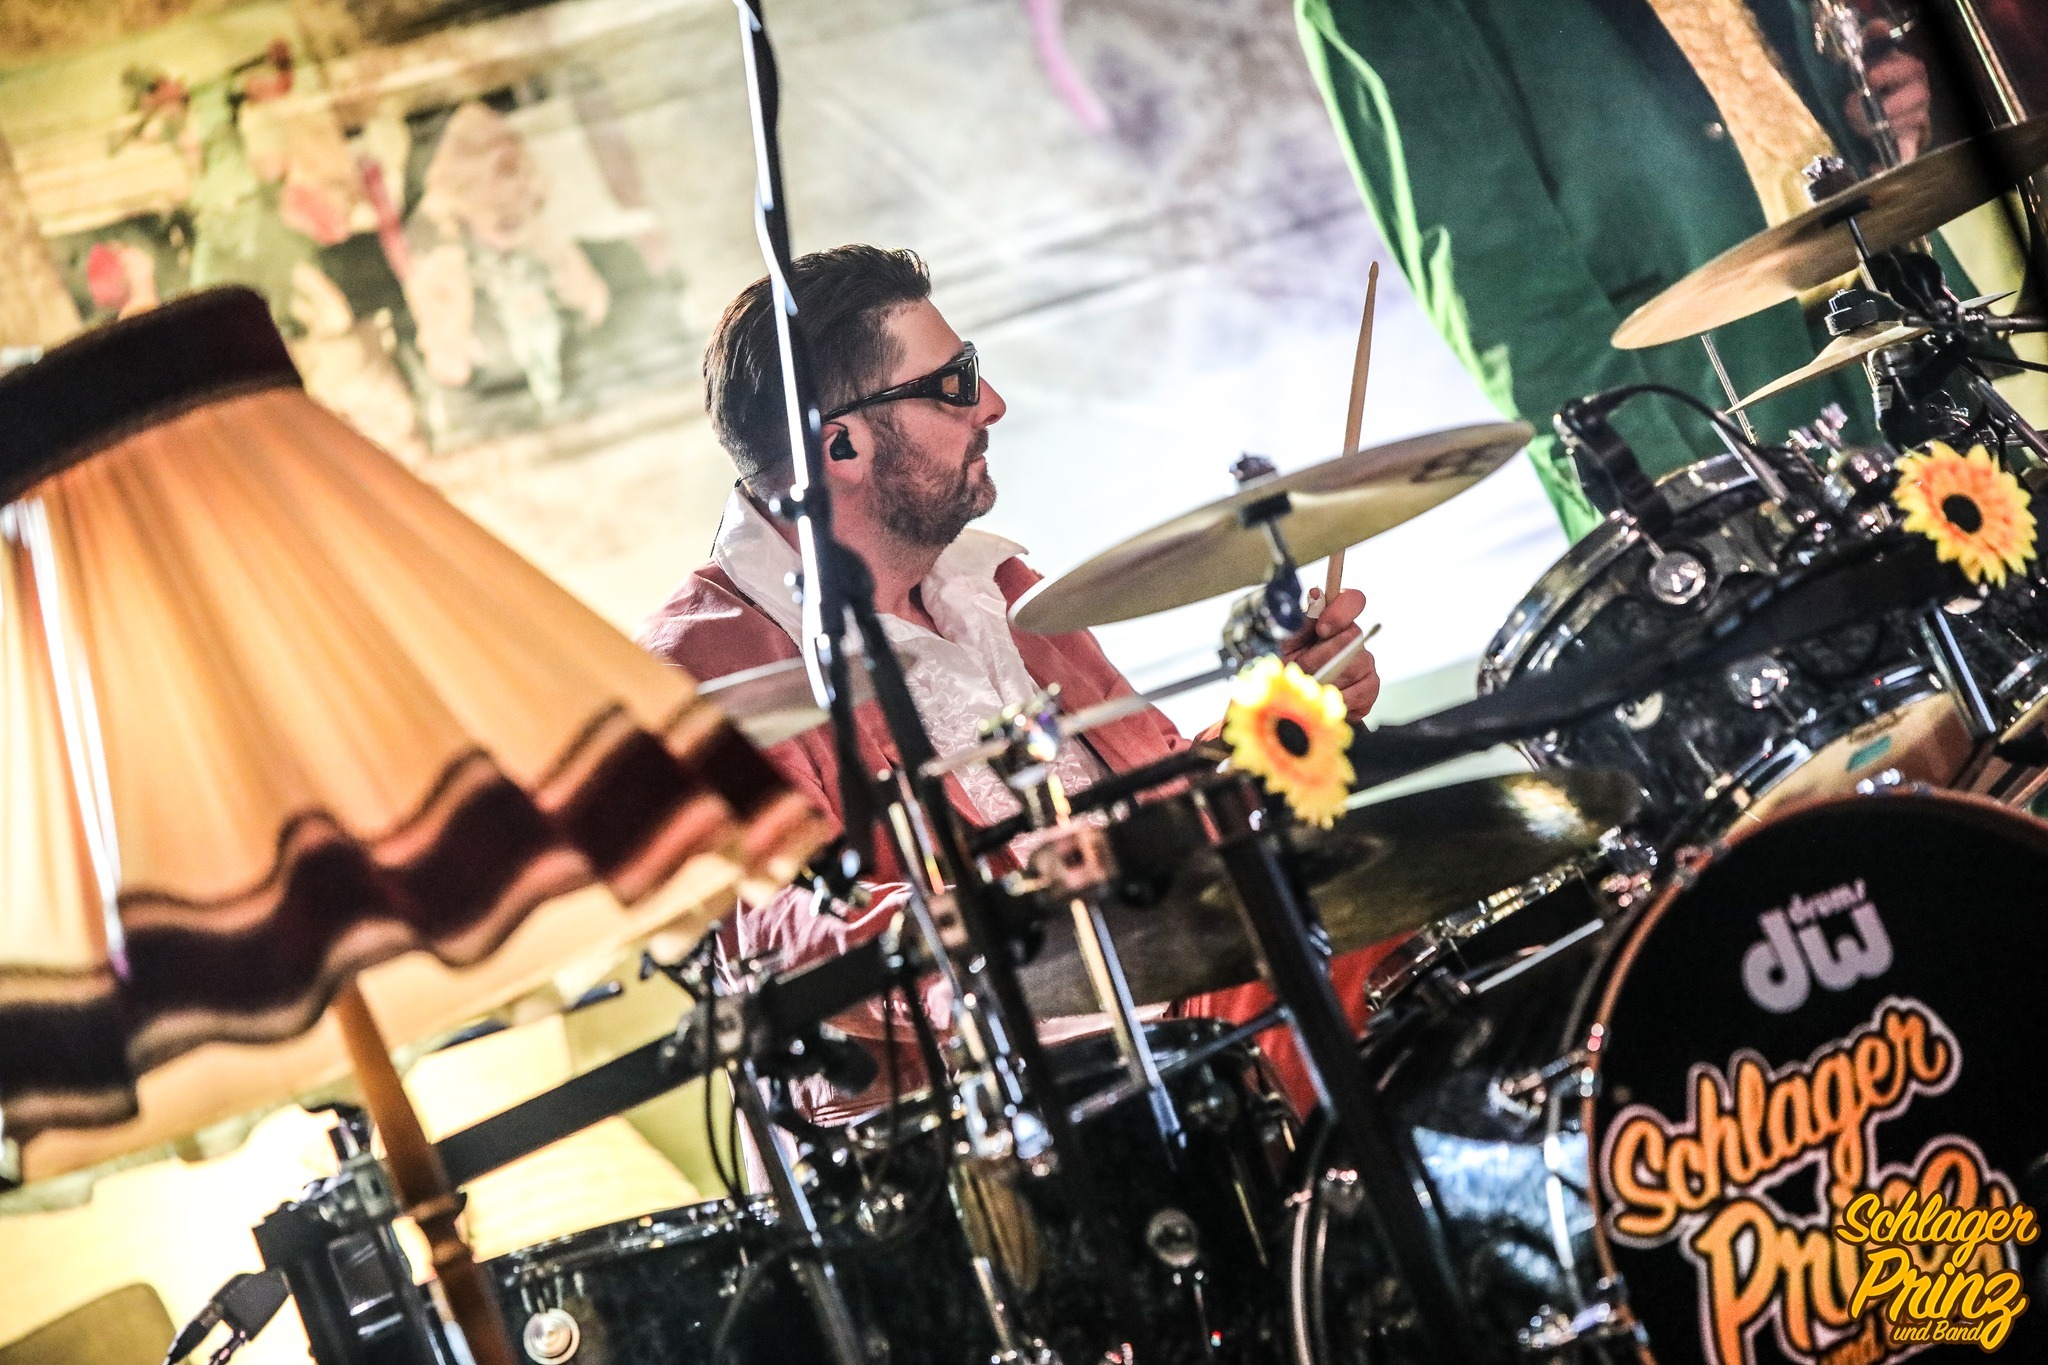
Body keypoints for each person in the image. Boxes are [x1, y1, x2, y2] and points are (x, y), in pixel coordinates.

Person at [638, 244, 1384, 1117]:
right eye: (954, 383)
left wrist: (1281, 717)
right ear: (840, 442)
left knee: (1395, 934)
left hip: (1186, 1017)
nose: (990, 403)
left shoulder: (997, 585)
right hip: (1007, 1118)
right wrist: (1039, 937)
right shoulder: (697, 670)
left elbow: (1155, 810)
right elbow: (773, 934)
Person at [1293, 0, 1945, 541]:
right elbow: (1500, 288)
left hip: (1899, 344)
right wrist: (1657, 491)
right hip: (1708, 417)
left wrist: (1874, 101)